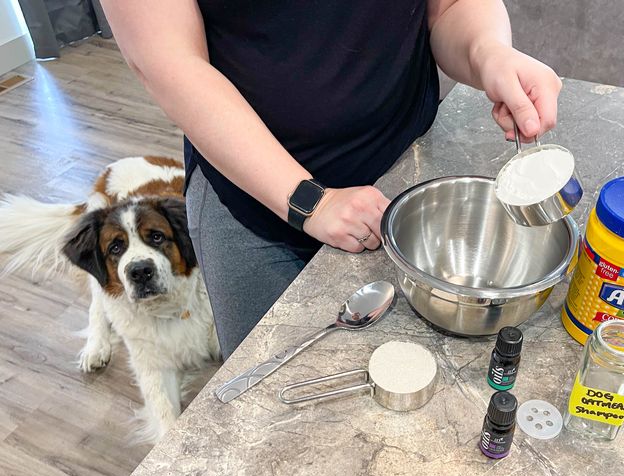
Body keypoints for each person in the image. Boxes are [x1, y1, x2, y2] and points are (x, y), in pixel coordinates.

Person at [101, 0, 562, 359]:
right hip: (256, 206)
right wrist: (308, 202)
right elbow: (167, 60)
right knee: (271, 399)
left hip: (407, 164)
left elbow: (448, 8)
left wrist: (488, 52)